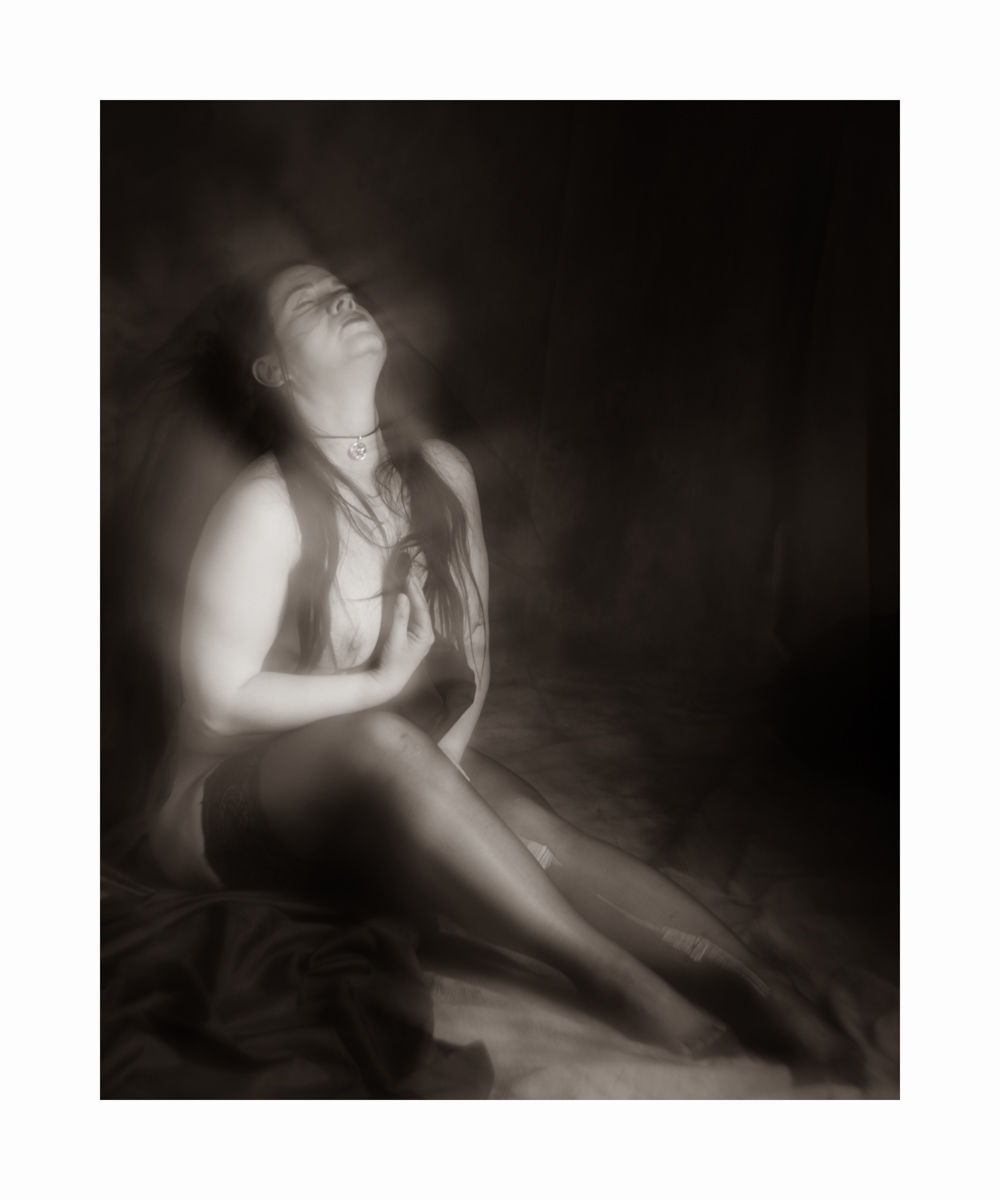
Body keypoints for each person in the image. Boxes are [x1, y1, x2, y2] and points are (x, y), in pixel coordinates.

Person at [148, 261, 854, 1070]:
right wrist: (381, 690)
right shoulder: (264, 504)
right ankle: (608, 979)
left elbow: (474, 651)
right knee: (383, 739)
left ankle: (761, 989)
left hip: (377, 772)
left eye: (343, 289)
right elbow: (217, 701)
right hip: (226, 817)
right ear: (273, 369)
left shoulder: (443, 474)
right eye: (309, 302)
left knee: (532, 832)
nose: (342, 298)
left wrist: (443, 774)